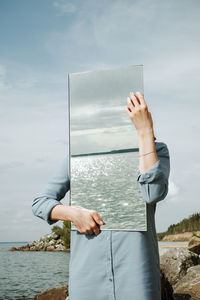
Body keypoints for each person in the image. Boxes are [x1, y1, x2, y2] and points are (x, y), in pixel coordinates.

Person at [32, 92, 170, 300]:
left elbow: (153, 193)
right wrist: (73, 214)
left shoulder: (156, 150)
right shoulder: (76, 159)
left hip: (137, 278)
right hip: (86, 279)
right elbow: (40, 203)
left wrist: (145, 132)